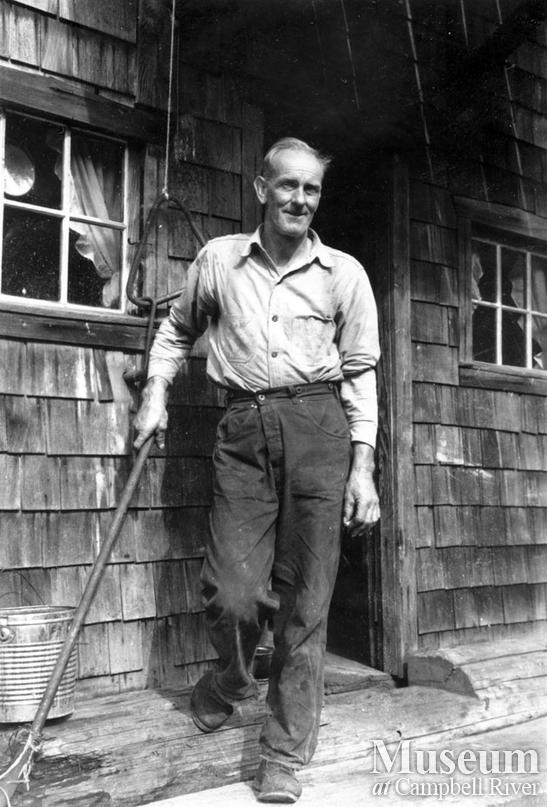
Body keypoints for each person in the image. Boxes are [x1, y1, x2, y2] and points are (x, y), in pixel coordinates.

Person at [133, 137, 380, 804]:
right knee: (232, 591)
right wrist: (155, 393)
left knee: (306, 598)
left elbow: (359, 376)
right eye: (287, 186)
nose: (299, 199)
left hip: (319, 427)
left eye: (311, 189)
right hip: (242, 427)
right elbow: (176, 331)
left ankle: (283, 752)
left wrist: (362, 467)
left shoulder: (343, 274)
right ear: (260, 188)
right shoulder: (219, 261)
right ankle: (229, 679)